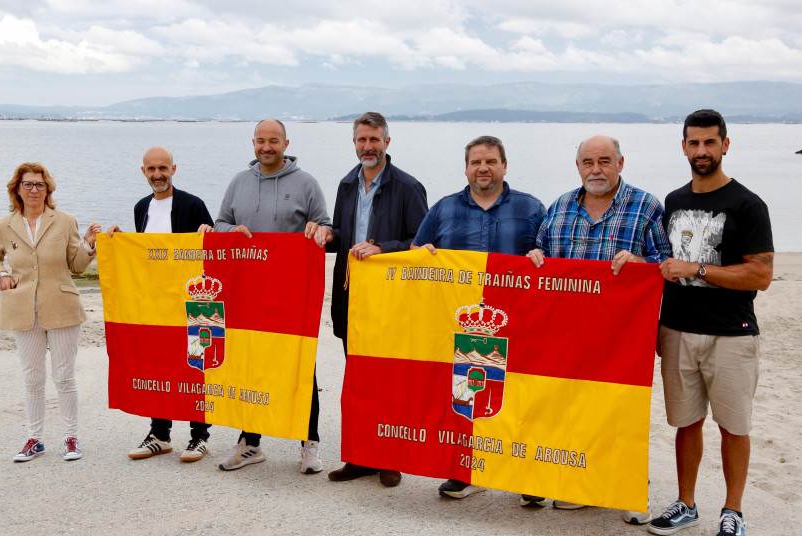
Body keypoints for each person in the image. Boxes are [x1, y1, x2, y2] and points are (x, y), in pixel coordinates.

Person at [523, 134, 671, 523]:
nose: (597, 170)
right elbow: (540, 254)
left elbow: (666, 264)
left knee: (621, 411)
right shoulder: (558, 207)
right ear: (578, 167)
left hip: (621, 335)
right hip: (567, 334)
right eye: (588, 162)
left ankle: (627, 491)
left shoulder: (646, 206)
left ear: (621, 164)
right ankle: (582, 483)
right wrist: (534, 257)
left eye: (605, 161)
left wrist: (640, 261)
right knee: (572, 409)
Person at [650, 110, 773, 536]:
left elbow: (760, 275)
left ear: (725, 144)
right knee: (686, 423)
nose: (702, 151)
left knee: (733, 426)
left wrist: (697, 269)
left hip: (732, 335)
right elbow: (661, 266)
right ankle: (686, 503)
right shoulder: (673, 201)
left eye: (710, 142)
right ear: (684, 146)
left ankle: (733, 511)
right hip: (678, 331)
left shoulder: (748, 204)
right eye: (694, 143)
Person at [411, 135, 546, 499]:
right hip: (460, 327)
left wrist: (539, 255)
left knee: (520, 400)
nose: (483, 168)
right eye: (476, 162)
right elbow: (416, 252)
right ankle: (466, 472)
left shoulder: (531, 208)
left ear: (504, 165)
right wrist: (422, 253)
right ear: (466, 167)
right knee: (466, 399)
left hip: (513, 325)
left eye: (490, 161)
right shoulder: (443, 208)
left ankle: (525, 477)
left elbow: (550, 259)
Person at [205, 119, 332, 474]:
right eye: (261, 141)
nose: (266, 147)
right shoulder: (238, 182)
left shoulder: (306, 183)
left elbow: (327, 226)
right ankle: (250, 443)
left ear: (285, 143)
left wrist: (319, 230)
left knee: (300, 365)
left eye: (273, 141)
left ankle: (309, 442)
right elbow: (219, 224)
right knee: (250, 365)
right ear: (253, 143)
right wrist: (232, 230)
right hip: (247, 293)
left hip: (290, 292)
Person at [325, 112, 428, 488]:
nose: (367, 147)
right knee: (358, 381)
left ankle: (390, 458)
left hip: (390, 302)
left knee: (388, 381)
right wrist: (325, 233)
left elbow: (422, 242)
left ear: (387, 142)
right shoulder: (345, 184)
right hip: (351, 298)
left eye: (374, 140)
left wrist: (383, 248)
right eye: (361, 140)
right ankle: (361, 456)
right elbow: (341, 233)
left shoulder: (408, 186)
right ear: (354, 143)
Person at [0, 162, 99, 462]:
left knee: (64, 376)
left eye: (39, 184)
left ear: (48, 189)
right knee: (32, 379)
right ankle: (34, 439)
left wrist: (88, 245)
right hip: (22, 310)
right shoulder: (3, 225)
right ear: (17, 189)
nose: (34, 190)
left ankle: (71, 438)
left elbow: (76, 265)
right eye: (28, 184)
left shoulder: (65, 221)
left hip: (62, 307)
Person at [107, 146, 215, 463]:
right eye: (151, 169)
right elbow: (144, 253)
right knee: (156, 364)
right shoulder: (142, 207)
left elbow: (212, 248)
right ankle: (160, 434)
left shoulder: (194, 204)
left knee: (196, 365)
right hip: (155, 303)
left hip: (192, 302)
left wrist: (209, 232)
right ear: (143, 172)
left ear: (173, 169)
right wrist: (118, 239)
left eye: (163, 168)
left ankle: (199, 437)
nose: (158, 174)